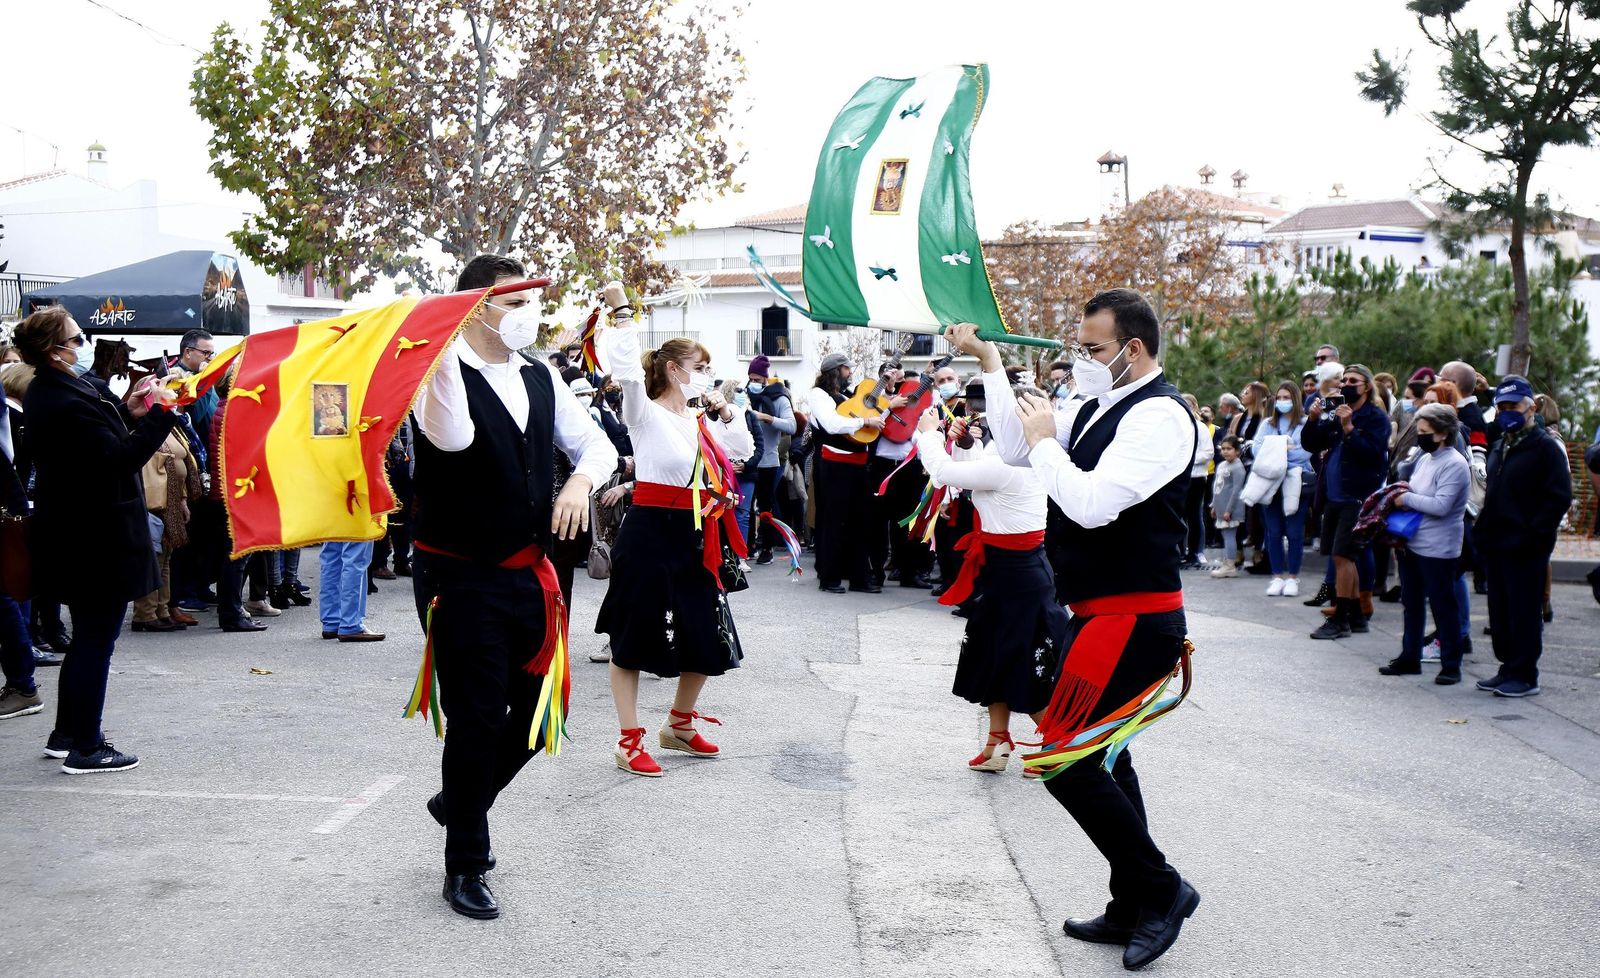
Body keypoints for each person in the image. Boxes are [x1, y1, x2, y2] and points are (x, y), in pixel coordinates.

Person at [949, 288, 1205, 972]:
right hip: (1097, 616)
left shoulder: (1163, 418)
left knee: (1066, 757)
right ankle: (1134, 900)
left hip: (1137, 618)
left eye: (1093, 349)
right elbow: (1015, 445)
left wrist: (1044, 442)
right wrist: (990, 363)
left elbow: (1089, 506)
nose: (1081, 360)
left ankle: (1161, 890)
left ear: (1135, 349)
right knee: (1104, 751)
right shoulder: (1099, 405)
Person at [409, 255, 617, 919]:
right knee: (474, 717)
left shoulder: (540, 373)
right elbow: (456, 436)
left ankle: (460, 802)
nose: (529, 314)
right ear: (475, 307)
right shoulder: (438, 376)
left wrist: (582, 481)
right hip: (460, 576)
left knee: (535, 715)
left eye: (532, 301)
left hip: (533, 573)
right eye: (515, 302)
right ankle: (464, 861)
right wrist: (438, 344)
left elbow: (598, 447)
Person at [17, 305, 182, 773]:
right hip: (94, 537)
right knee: (95, 643)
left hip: (85, 531)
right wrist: (161, 414)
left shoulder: (63, 389)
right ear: (54, 350)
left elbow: (103, 442)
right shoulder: (59, 396)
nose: (81, 344)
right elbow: (118, 460)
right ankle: (86, 746)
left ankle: (67, 732)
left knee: (89, 640)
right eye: (74, 338)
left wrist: (132, 410)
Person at [595, 282, 750, 778]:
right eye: (698, 367)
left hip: (695, 531)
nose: (705, 375)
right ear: (672, 370)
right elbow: (625, 372)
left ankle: (679, 724)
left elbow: (742, 451)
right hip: (649, 530)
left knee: (704, 631)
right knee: (634, 635)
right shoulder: (644, 413)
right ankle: (628, 738)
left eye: (706, 367)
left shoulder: (700, 420)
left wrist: (726, 410)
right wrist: (622, 311)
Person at [915, 399, 1066, 772]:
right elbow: (980, 469)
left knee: (1020, 665)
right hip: (1013, 572)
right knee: (999, 658)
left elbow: (944, 472)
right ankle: (997, 743)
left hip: (1017, 577)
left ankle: (1061, 746)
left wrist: (928, 435)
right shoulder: (1029, 457)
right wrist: (967, 444)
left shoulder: (1009, 466)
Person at [1472, 377, 1572, 698]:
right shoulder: (1502, 444)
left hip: (1526, 547)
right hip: (1498, 544)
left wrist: (1533, 536)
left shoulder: (1545, 447)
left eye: (1513, 406)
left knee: (1523, 612)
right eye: (1501, 406)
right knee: (1500, 611)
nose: (1506, 412)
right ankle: (1508, 667)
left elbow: (1558, 497)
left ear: (1531, 407)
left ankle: (1526, 674)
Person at [1378, 403, 1469, 683]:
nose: (1419, 436)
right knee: (1412, 603)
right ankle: (1410, 656)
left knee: (1443, 606)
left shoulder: (1455, 463)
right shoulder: (1425, 458)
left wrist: (1405, 499)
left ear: (1442, 434)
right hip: (1413, 541)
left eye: (1424, 431)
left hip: (1439, 547)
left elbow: (1441, 505)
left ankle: (1451, 665)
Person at [1303, 364, 1390, 640]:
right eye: (1344, 380)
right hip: (1334, 495)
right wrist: (1314, 419)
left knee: (1344, 556)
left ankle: (1341, 617)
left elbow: (1373, 456)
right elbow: (1311, 444)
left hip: (1357, 497)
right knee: (1341, 556)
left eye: (1353, 380)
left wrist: (1350, 428)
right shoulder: (1338, 412)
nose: (1346, 384)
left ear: (1366, 386)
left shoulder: (1375, 418)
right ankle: (1356, 615)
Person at [805, 352, 882, 593]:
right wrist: (863, 423)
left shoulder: (848, 397)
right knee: (832, 521)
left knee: (861, 522)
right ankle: (830, 578)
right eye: (847, 369)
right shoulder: (818, 395)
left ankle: (860, 578)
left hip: (858, 464)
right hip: (833, 464)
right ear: (836, 370)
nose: (850, 373)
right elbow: (832, 423)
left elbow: (873, 420)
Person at [130, 425, 201, 632]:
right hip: (153, 503)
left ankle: (161, 610)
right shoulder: (143, 430)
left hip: (170, 501)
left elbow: (179, 463)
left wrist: (183, 499)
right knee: (153, 560)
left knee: (165, 559)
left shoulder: (172, 427)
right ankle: (145, 614)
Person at [1254, 381, 1312, 596]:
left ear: (1295, 399)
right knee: (1273, 532)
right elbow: (1257, 449)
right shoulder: (1268, 423)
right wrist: (1284, 448)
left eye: (1286, 397)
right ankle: (1277, 575)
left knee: (1295, 532)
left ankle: (1293, 577)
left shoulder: (1305, 423)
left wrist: (1274, 451)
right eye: (1279, 398)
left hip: (1295, 483)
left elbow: (1305, 452)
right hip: (1271, 483)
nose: (1282, 402)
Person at [745, 355, 795, 564]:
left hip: (768, 461)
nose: (753, 384)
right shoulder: (744, 397)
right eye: (751, 379)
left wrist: (766, 417)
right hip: (747, 460)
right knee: (745, 506)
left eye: (757, 379)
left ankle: (767, 548)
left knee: (765, 507)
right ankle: (748, 547)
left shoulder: (779, 399)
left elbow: (792, 426)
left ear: (766, 379)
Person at [719, 378, 764, 550]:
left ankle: (740, 554)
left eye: (743, 390)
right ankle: (726, 553)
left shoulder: (749, 416)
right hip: (724, 472)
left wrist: (746, 465)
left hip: (746, 473)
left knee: (743, 514)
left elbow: (759, 446)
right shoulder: (717, 416)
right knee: (723, 512)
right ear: (729, 391)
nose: (742, 393)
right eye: (738, 390)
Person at [1209, 436, 1245, 577]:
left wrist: (1228, 510)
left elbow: (1236, 491)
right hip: (1221, 507)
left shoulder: (1238, 467)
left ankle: (1230, 565)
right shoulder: (1221, 465)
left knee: (1230, 536)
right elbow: (1217, 487)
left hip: (1230, 509)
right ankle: (1227, 562)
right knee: (1225, 536)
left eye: (1229, 449)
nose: (1225, 452)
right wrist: (1214, 505)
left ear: (1237, 451)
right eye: (1223, 449)